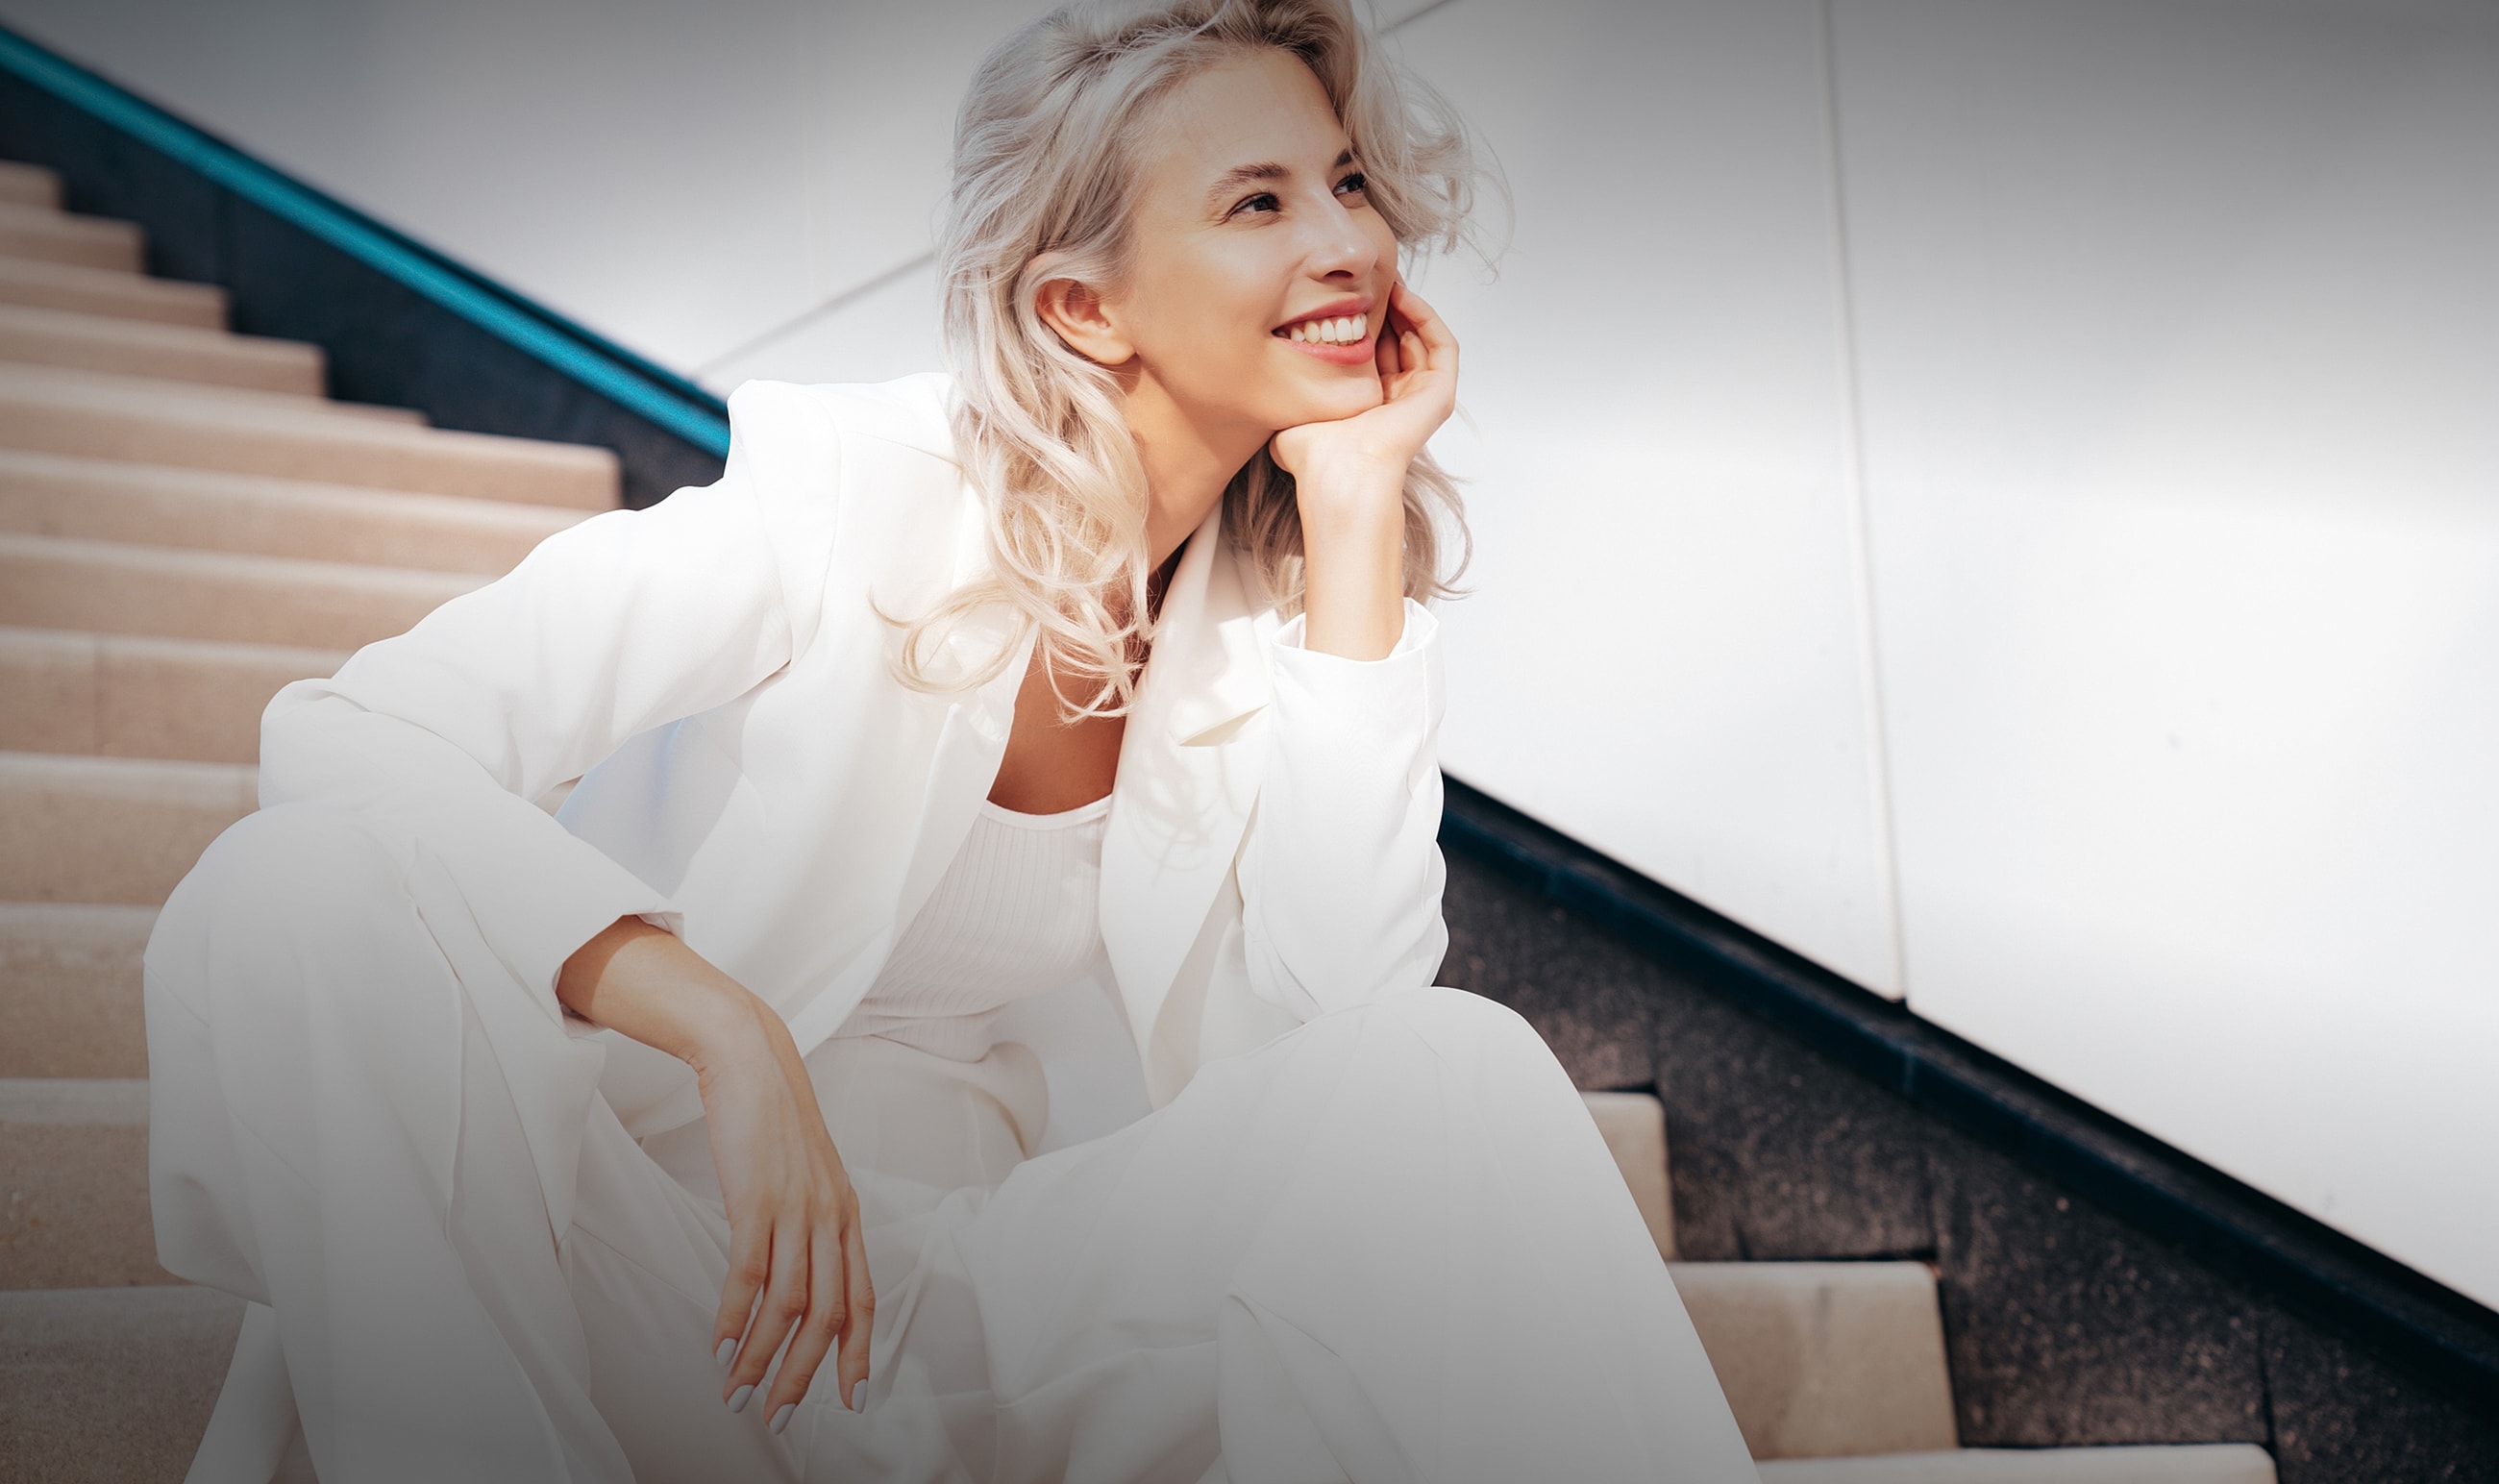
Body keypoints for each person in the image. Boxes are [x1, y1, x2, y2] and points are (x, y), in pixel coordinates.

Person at [143, 1, 1761, 1479]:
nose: (1349, 244)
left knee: (1446, 1072)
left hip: (955, 1306)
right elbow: (351, 735)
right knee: (295, 891)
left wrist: (1351, 522)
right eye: (1260, 202)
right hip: (630, 1269)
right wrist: (720, 1025)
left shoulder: (1275, 601)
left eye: (1348, 185)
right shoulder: (852, 491)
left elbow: (1341, 1023)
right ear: (1085, 305)